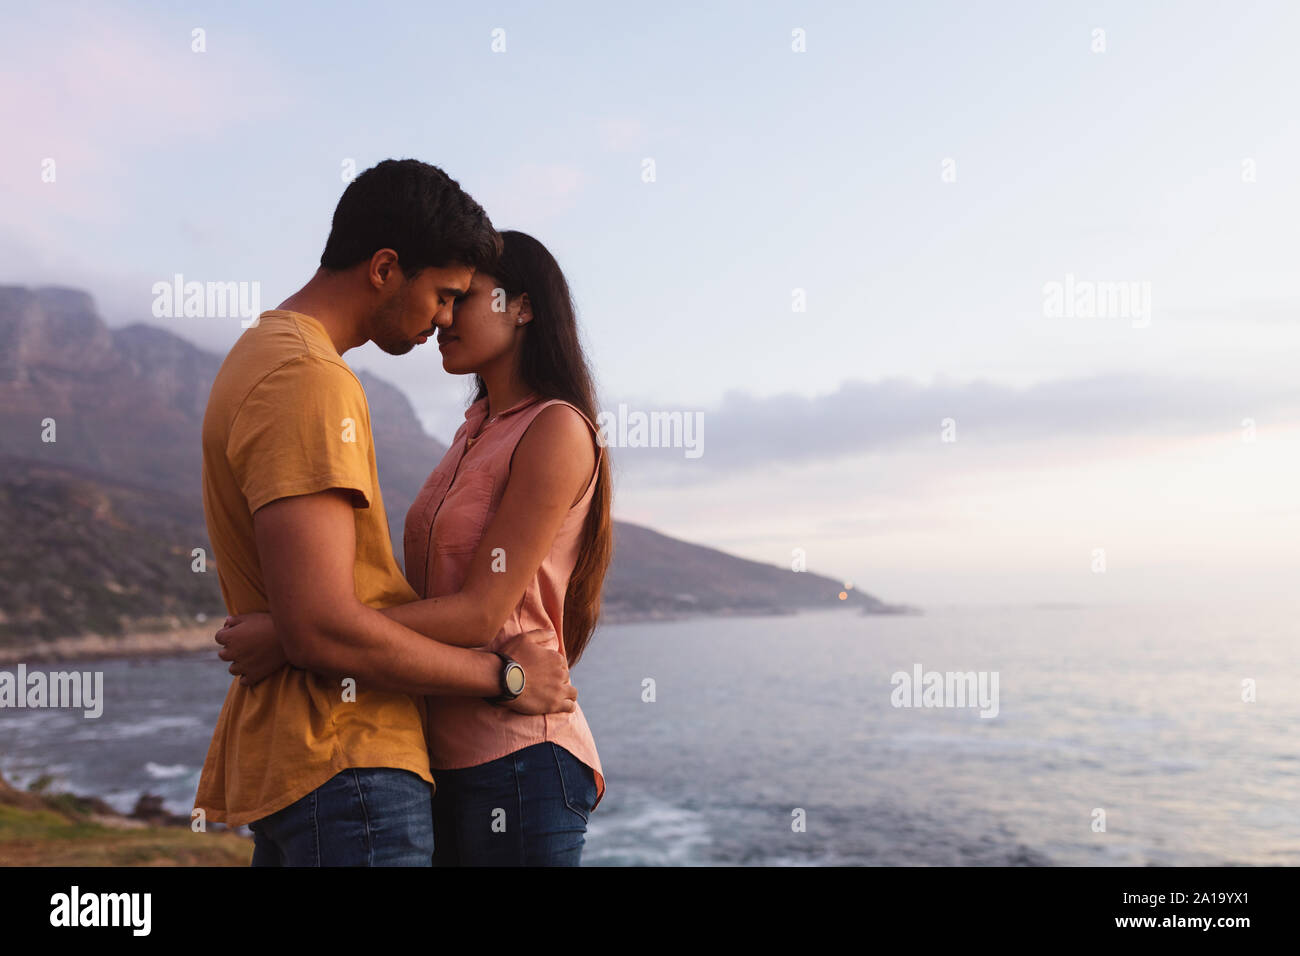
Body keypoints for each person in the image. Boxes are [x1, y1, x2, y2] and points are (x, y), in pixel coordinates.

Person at [196, 160, 576, 867]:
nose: (442, 319)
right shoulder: (308, 378)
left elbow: (310, 624)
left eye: (462, 300)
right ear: (384, 268)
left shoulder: (262, 356)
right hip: (347, 759)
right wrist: (505, 678)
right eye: (441, 294)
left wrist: (292, 632)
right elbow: (320, 629)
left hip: (315, 765)